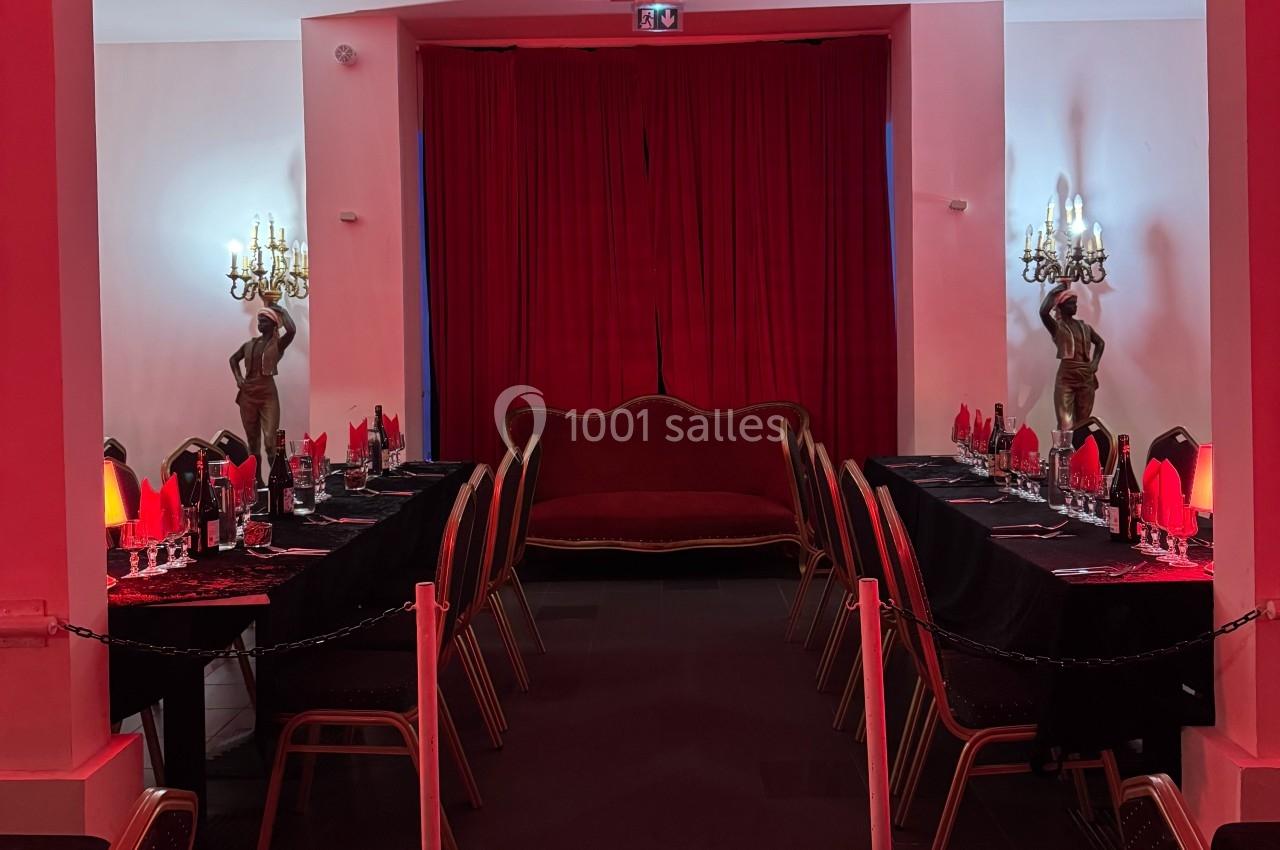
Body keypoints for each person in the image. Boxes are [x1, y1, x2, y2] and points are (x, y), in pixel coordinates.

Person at [230, 303, 296, 479]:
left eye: (264, 321)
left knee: (270, 442)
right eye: (259, 321)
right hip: (248, 395)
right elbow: (233, 359)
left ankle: (277, 481)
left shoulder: (278, 345)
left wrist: (281, 310)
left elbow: (291, 331)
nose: (260, 325)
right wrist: (239, 379)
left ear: (274, 324)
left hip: (267, 394)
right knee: (253, 442)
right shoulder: (249, 344)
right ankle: (257, 483)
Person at [1039, 282, 1104, 430]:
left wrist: (1095, 363)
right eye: (1071, 304)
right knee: (1065, 424)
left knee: (1083, 424)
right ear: (1062, 306)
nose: (1075, 307)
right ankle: (1064, 452)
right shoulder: (1057, 327)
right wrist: (1054, 292)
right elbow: (1043, 312)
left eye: (1075, 304)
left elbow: (1100, 343)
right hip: (1066, 377)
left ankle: (1081, 453)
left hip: (1086, 377)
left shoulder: (1085, 327)